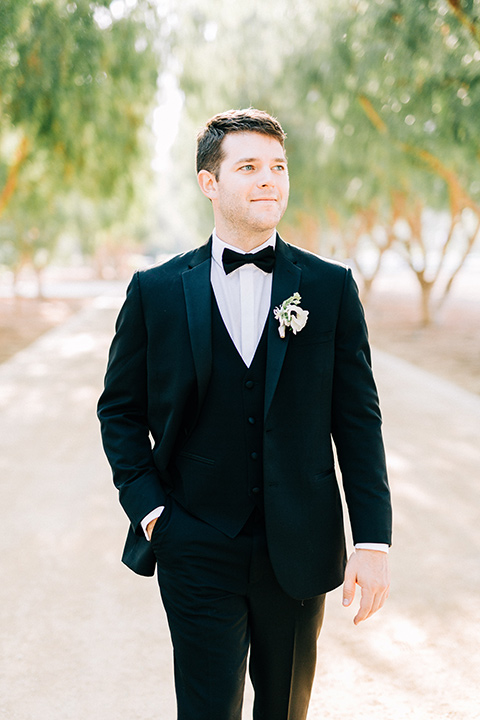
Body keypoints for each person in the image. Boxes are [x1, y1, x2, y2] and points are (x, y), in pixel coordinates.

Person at [97, 108, 392, 720]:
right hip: (195, 541)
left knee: (286, 710)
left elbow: (358, 421)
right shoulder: (154, 292)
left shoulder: (330, 287)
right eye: (249, 167)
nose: (269, 181)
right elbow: (119, 411)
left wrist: (373, 540)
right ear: (210, 182)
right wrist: (152, 512)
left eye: (279, 167)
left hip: (300, 543)